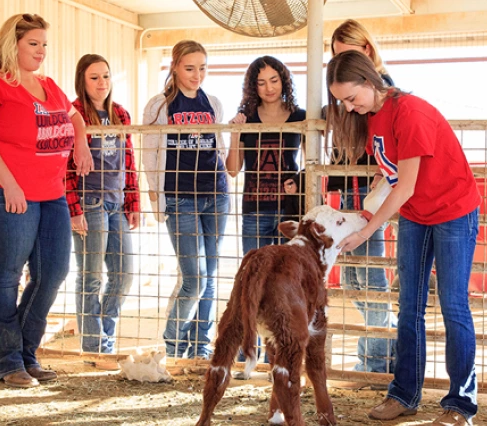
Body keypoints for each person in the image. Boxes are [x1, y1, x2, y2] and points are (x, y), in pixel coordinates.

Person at [328, 50, 480, 426]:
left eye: (351, 97)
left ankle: (460, 404)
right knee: (408, 305)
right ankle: (404, 394)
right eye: (342, 101)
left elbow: (406, 186)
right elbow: (388, 176)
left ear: (368, 81)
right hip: (416, 215)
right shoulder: (371, 117)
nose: (348, 108)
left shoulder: (409, 112)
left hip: (453, 210)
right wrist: (365, 211)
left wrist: (367, 229)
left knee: (453, 305)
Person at [0, 13, 92, 388]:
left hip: (50, 192)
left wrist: (80, 141)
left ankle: (25, 353)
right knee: (6, 272)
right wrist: (9, 184)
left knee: (53, 272)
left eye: (44, 44)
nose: (41, 51)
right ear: (11, 44)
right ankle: (7, 361)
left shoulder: (47, 85)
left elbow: (74, 116)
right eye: (33, 43)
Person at [286, 19, 398, 381]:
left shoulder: (386, 92)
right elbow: (338, 148)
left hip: (372, 191)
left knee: (370, 279)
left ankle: (377, 361)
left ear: (367, 50)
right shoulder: (342, 98)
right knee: (353, 279)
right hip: (349, 191)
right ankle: (385, 352)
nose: (342, 61)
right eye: (336, 56)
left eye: (348, 53)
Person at [142, 40, 229, 360]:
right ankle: (173, 342)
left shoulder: (214, 103)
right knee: (195, 277)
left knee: (211, 275)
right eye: (190, 68)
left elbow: (218, 145)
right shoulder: (159, 106)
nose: (197, 75)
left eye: (203, 68)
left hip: (215, 194)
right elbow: (150, 155)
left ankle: (201, 346)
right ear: (175, 66)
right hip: (181, 198)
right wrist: (157, 199)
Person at [227, 56, 305, 365]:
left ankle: (283, 354)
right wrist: (234, 133)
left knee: (286, 285)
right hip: (255, 209)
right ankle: (251, 353)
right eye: (261, 82)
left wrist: (298, 184)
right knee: (254, 283)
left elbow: (310, 163)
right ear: (253, 86)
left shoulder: (300, 115)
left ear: (284, 81)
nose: (268, 87)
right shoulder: (246, 118)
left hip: (289, 210)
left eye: (274, 80)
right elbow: (233, 169)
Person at [65, 54, 140, 370]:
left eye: (106, 76)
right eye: (94, 77)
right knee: (91, 276)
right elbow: (64, 167)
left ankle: (104, 337)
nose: (102, 83)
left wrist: (133, 202)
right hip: (89, 203)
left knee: (123, 275)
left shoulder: (120, 113)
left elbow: (129, 160)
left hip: (116, 203)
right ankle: (94, 347)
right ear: (82, 80)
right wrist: (74, 209)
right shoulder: (74, 114)